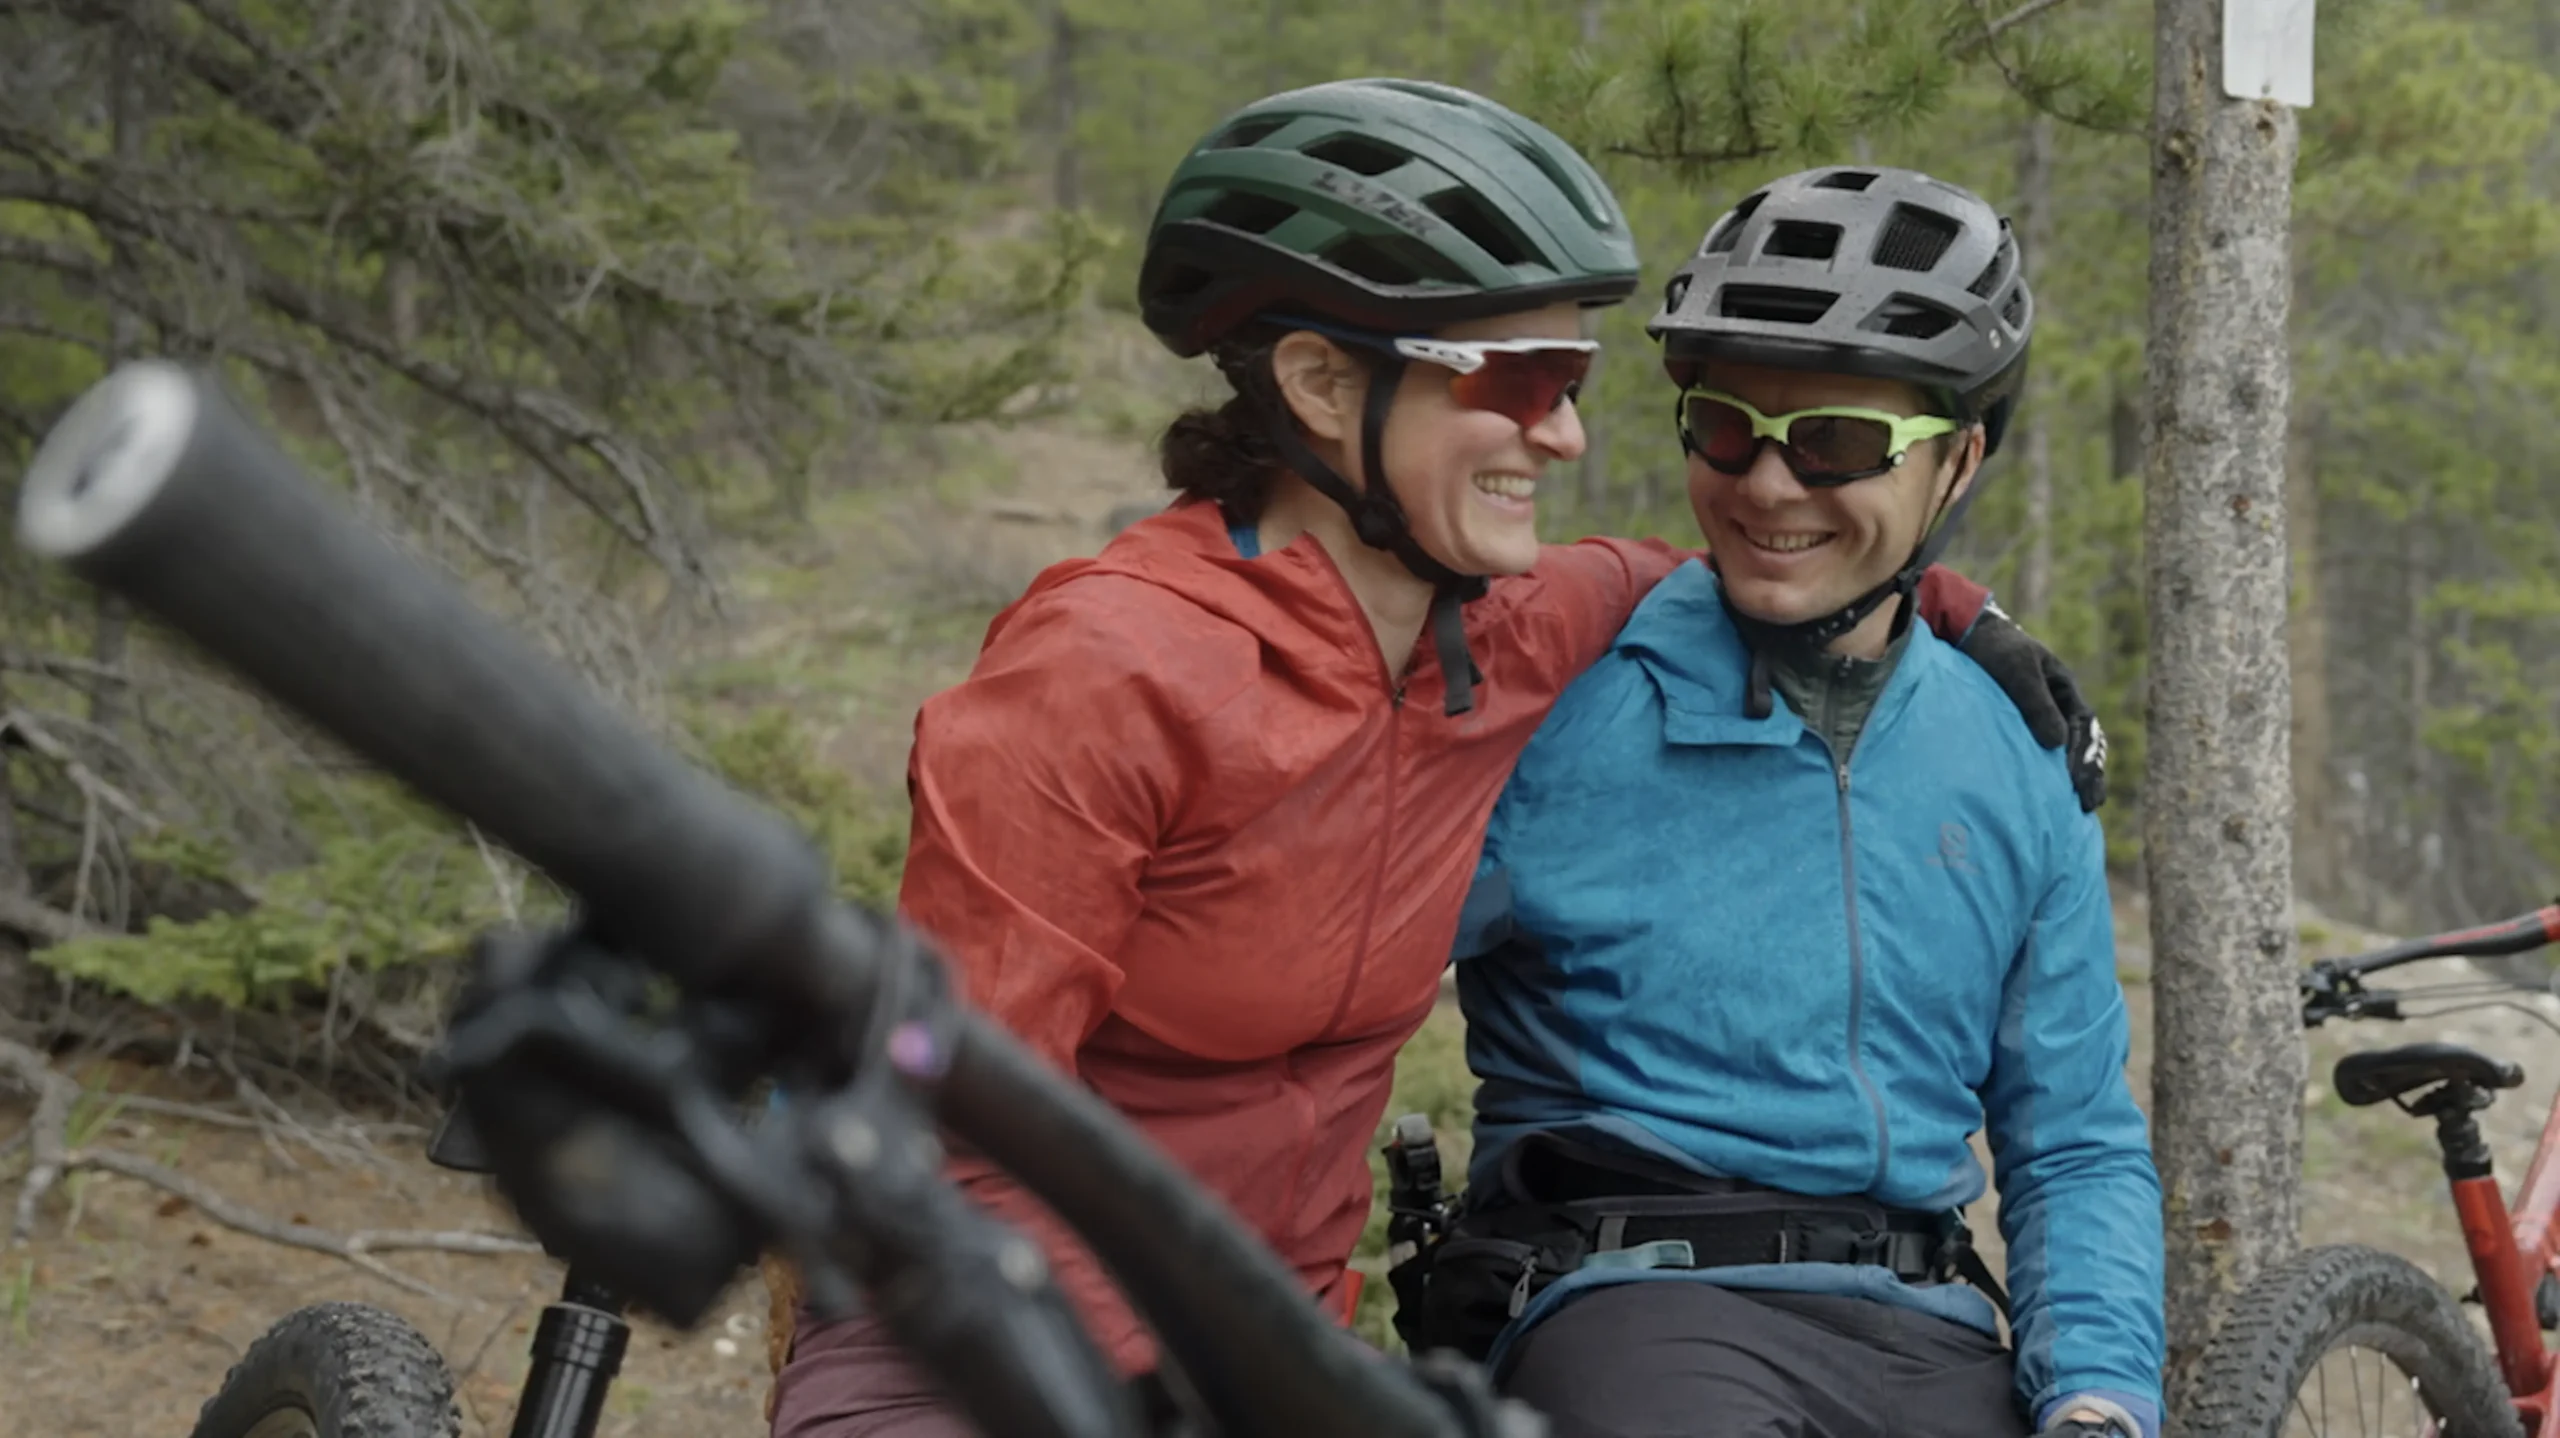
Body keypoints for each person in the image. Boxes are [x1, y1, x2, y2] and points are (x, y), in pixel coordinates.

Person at [766, 85, 2107, 1437]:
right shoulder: (1107, 669)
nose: (1564, 435)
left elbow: (1781, 563)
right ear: (1321, 382)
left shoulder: (1520, 632)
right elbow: (949, 1110)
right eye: (1515, 381)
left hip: (1268, 1363)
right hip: (977, 1344)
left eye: (1572, 385)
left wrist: (1967, 615)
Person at [1425, 166, 2163, 1438]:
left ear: (1959, 462)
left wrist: (2097, 1393)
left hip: (1927, 1329)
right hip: (1631, 1299)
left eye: (1836, 442)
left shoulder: (2014, 754)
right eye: (1724, 427)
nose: (1767, 485)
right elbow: (1319, 1002)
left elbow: (2073, 1139)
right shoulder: (1554, 705)